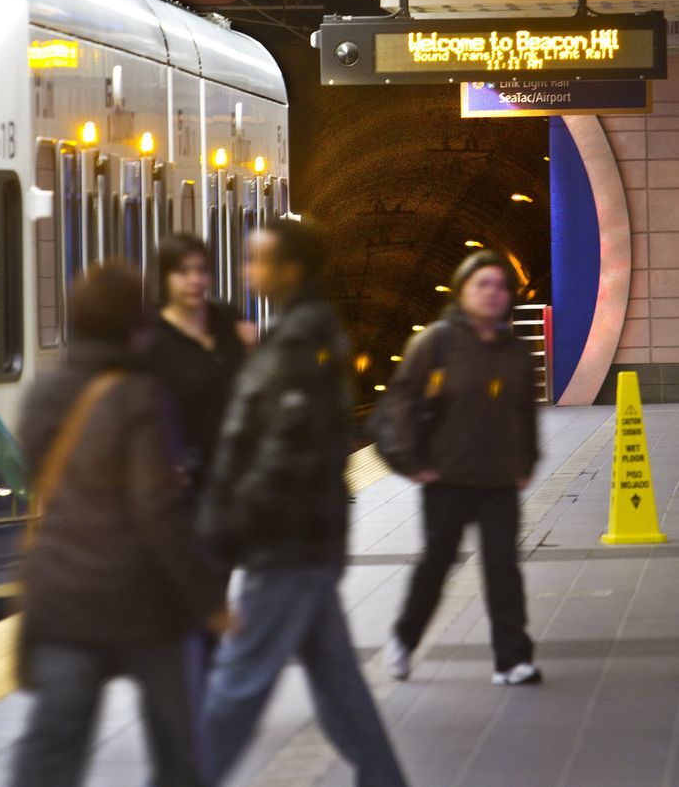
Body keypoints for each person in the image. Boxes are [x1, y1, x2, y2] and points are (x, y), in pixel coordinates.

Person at [198, 219, 409, 787]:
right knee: (337, 682)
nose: (249, 271)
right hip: (305, 539)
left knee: (235, 688)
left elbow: (281, 457)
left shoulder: (298, 341)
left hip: (285, 543)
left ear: (291, 270)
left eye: (259, 260)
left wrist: (226, 532)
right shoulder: (301, 331)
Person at [10, 262, 229, 787]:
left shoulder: (44, 393)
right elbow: (157, 509)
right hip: (142, 604)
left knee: (53, 750)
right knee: (178, 751)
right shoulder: (138, 396)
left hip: (62, 596)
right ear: (137, 323)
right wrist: (207, 599)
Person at [380, 249, 541, 687]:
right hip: (446, 478)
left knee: (503, 567)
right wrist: (410, 461)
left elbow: (524, 410)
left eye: (500, 286)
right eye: (481, 285)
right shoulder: (436, 342)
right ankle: (404, 638)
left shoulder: (514, 351)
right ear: (462, 290)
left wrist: (528, 459)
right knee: (437, 564)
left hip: (499, 481)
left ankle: (512, 659)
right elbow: (400, 400)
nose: (492, 293)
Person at [144, 234, 247, 496]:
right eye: (183, 272)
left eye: (201, 270)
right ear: (165, 278)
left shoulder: (228, 321)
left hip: (236, 478)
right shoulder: (154, 339)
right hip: (186, 485)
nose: (195, 280)